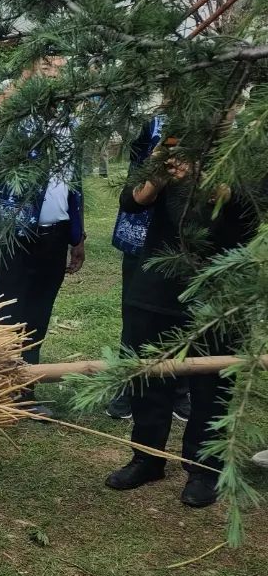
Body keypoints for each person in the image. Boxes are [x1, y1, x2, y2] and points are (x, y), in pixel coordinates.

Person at [104, 141, 257, 508]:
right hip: (156, 282)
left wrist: (205, 179)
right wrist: (158, 171)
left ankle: (203, 469)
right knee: (148, 373)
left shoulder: (250, 149)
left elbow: (252, 212)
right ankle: (146, 456)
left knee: (212, 383)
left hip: (219, 288)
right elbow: (131, 201)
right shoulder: (171, 143)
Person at [0, 58, 86, 413]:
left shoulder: (70, 125)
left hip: (56, 234)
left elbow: (74, 183)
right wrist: (27, 74)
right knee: (10, 306)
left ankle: (26, 386)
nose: (55, 76)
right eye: (48, 70)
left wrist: (77, 235)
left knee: (40, 308)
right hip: (19, 231)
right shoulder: (20, 123)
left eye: (61, 70)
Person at [106, 113, 190, 423]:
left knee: (188, 317)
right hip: (142, 238)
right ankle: (128, 387)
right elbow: (133, 182)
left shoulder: (220, 126)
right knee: (137, 317)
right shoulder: (153, 126)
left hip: (189, 240)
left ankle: (181, 388)